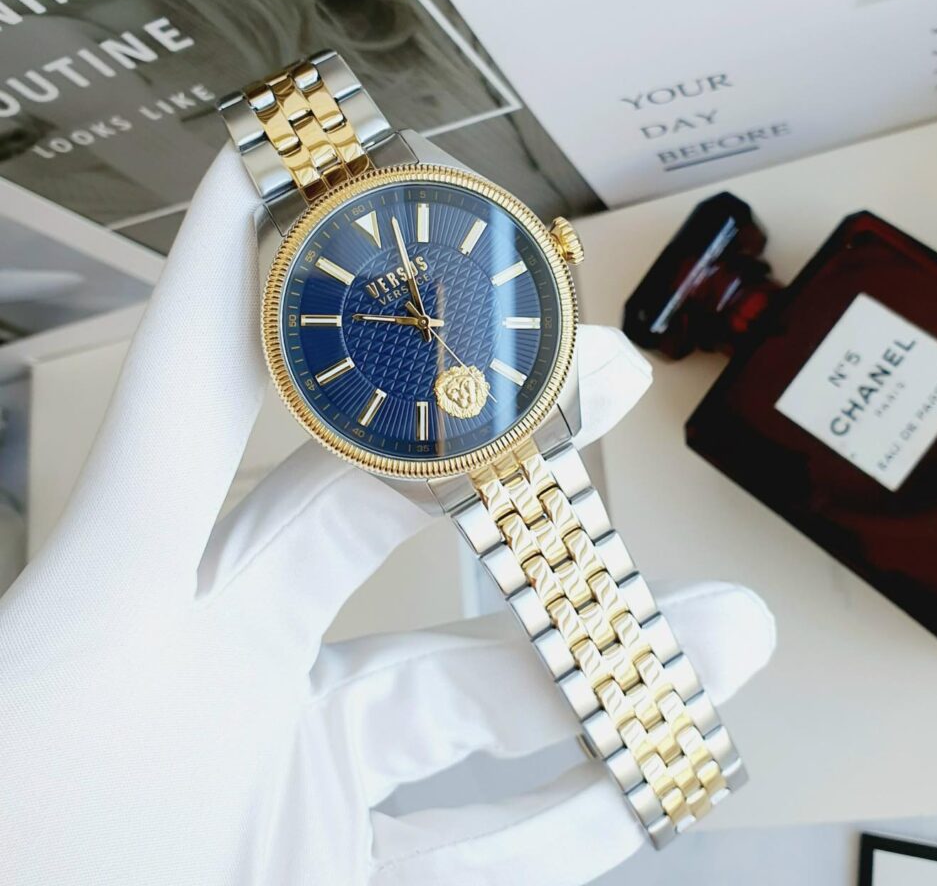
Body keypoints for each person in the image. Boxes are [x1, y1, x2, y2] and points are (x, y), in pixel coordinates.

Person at [0, 147, 775, 884]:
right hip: (430, 424)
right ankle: (674, 755)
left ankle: (672, 750)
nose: (431, 324)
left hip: (480, 411)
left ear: (556, 251)